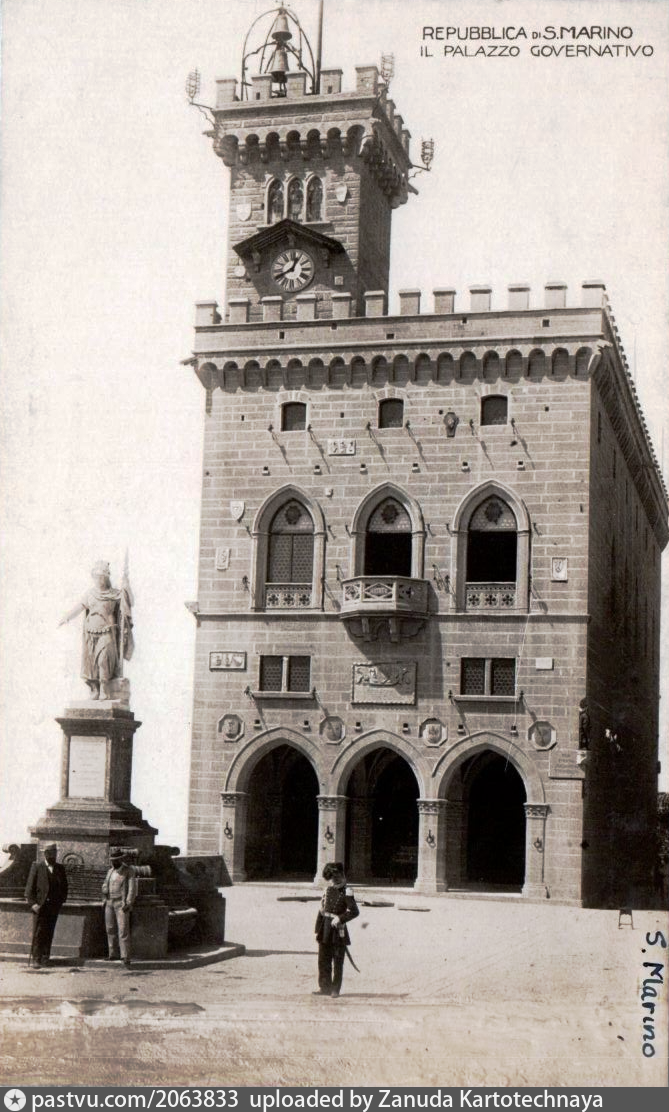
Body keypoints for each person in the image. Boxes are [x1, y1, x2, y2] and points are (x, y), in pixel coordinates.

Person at [58, 560, 133, 700]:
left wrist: (126, 587)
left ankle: (104, 688)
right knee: (91, 664)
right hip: (91, 633)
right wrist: (67, 617)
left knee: (103, 660)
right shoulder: (90, 594)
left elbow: (129, 602)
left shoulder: (115, 594)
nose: (99, 580)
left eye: (102, 577)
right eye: (97, 577)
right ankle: (95, 689)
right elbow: (80, 607)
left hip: (107, 631)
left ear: (106, 577)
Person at [314, 861, 359, 998]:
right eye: (333, 877)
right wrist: (318, 928)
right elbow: (321, 910)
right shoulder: (327, 890)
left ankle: (335, 989)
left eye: (337, 876)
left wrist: (340, 918)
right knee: (323, 960)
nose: (335, 879)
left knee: (338, 961)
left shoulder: (347, 891)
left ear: (342, 875)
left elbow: (354, 911)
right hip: (325, 928)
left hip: (338, 929)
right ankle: (324, 987)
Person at [24, 844, 68, 967]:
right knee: (39, 932)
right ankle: (36, 958)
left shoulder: (60, 868)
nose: (52, 856)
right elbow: (29, 888)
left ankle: (45, 958)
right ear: (45, 854)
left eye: (54, 853)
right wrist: (33, 904)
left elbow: (64, 887)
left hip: (53, 907)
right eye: (49, 853)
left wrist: (60, 902)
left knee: (49, 932)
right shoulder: (37, 867)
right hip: (40, 906)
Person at [102, 849, 137, 967]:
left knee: (123, 930)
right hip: (109, 902)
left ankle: (125, 956)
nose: (113, 862)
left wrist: (128, 902)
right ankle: (113, 953)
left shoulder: (128, 871)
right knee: (110, 928)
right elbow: (105, 884)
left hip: (121, 903)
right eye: (112, 860)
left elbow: (132, 888)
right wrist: (104, 897)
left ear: (120, 860)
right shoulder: (110, 871)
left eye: (116, 860)